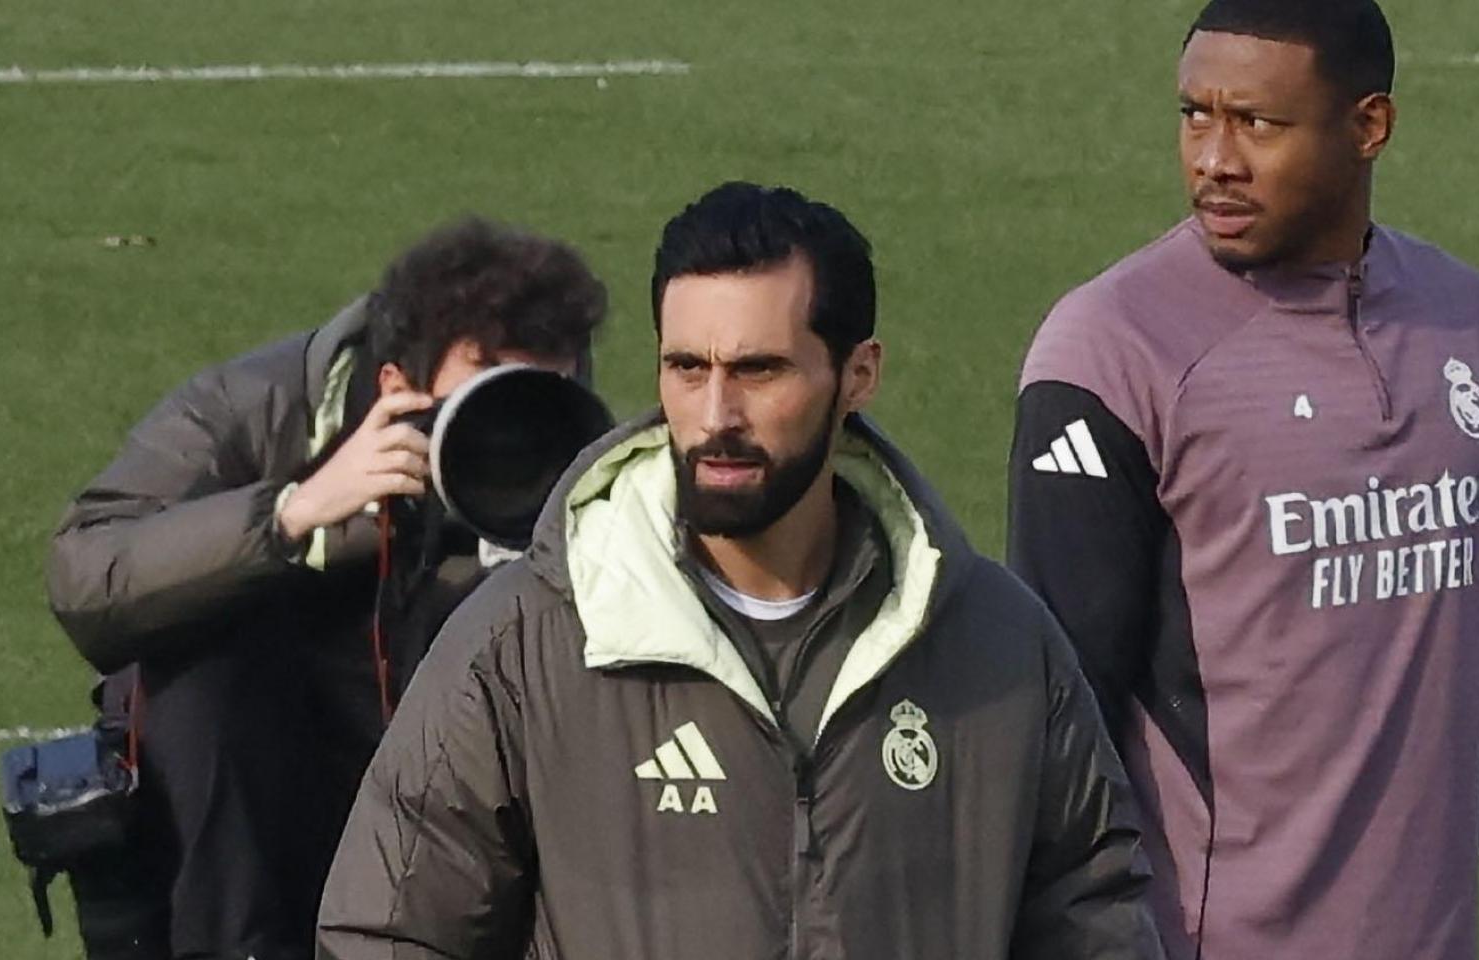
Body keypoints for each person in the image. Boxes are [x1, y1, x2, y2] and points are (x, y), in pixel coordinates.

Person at [316, 181, 1164, 959]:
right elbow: (389, 934)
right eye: (687, 368)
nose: (716, 415)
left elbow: (1093, 910)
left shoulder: (997, 643)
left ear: (857, 374)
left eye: (758, 370)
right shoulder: (523, 642)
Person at [1006, 2, 1479, 958]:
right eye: (1195, 115)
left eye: (1256, 124)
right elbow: (1063, 728)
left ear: (1369, 126)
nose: (1213, 159)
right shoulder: (1113, 353)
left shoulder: (1469, 326)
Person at [45, 217, 607, 960]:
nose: (508, 428)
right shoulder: (255, 412)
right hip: (273, 790)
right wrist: (292, 516)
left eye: (540, 390)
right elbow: (87, 574)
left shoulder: (570, 450)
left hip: (458, 808)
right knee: (196, 637)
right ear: (396, 388)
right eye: (485, 395)